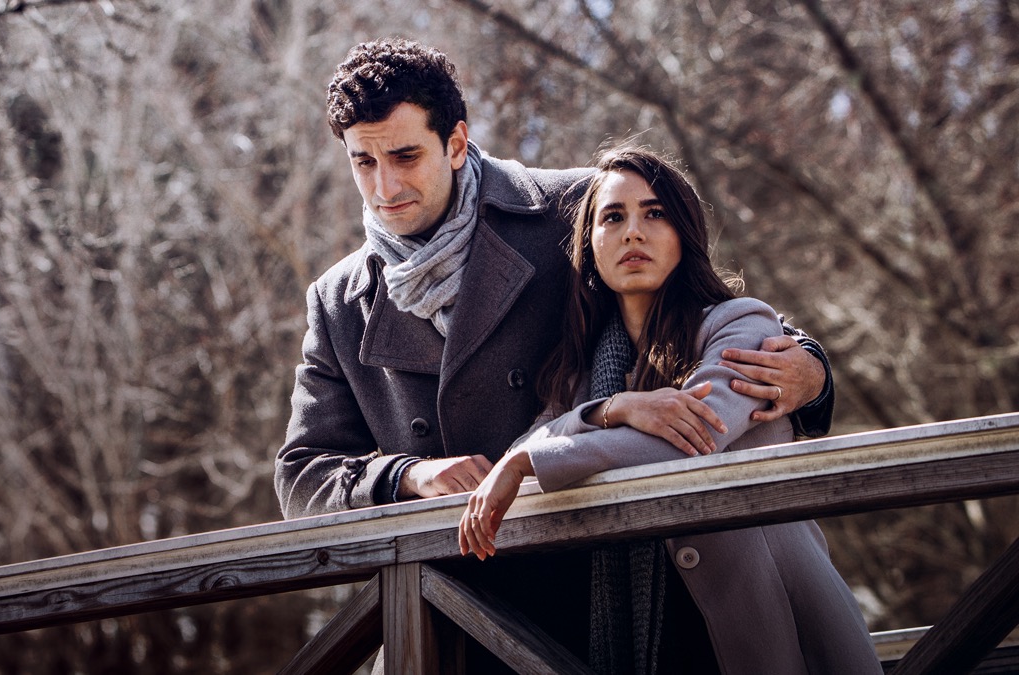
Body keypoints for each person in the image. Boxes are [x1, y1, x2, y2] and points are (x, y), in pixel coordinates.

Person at [275, 37, 838, 668]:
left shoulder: (572, 208)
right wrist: (407, 475)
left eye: (406, 156)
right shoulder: (338, 301)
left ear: (456, 143)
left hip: (595, 596)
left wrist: (812, 369)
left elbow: (707, 305)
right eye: (364, 162)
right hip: (448, 614)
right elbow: (301, 476)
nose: (385, 186)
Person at [458, 147, 881, 674]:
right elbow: (537, 438)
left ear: (684, 233)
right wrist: (613, 409)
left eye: (654, 213)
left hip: (772, 626)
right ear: (590, 246)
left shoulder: (741, 324)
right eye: (613, 217)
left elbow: (689, 441)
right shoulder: (580, 372)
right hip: (655, 640)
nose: (633, 233)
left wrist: (529, 461)